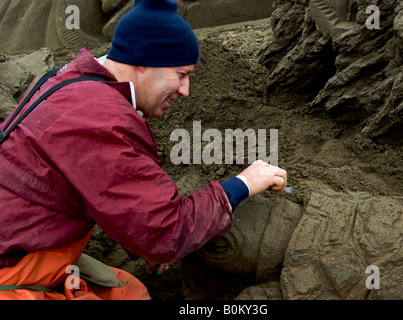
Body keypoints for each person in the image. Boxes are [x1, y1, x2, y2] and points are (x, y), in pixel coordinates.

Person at [0, 0, 287, 300]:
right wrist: (244, 183)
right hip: (12, 267)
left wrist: (140, 233)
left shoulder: (73, 82)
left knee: (129, 292)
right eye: (181, 74)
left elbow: (95, 183)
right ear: (143, 60)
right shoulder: (101, 117)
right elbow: (168, 231)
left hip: (27, 245)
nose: (186, 90)